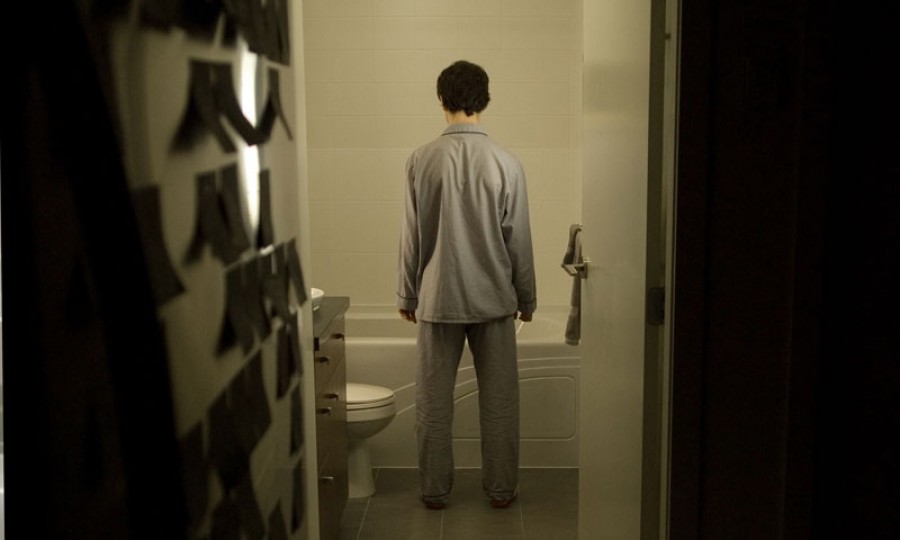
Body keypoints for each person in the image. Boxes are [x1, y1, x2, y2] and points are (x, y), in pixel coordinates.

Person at [397, 60, 537, 511]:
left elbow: (412, 236)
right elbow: (518, 239)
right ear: (484, 100)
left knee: (433, 405)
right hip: (493, 299)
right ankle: (501, 489)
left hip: (438, 298)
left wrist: (407, 293)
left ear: (442, 99)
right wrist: (527, 296)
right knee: (500, 404)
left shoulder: (420, 160)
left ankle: (435, 491)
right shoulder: (506, 163)